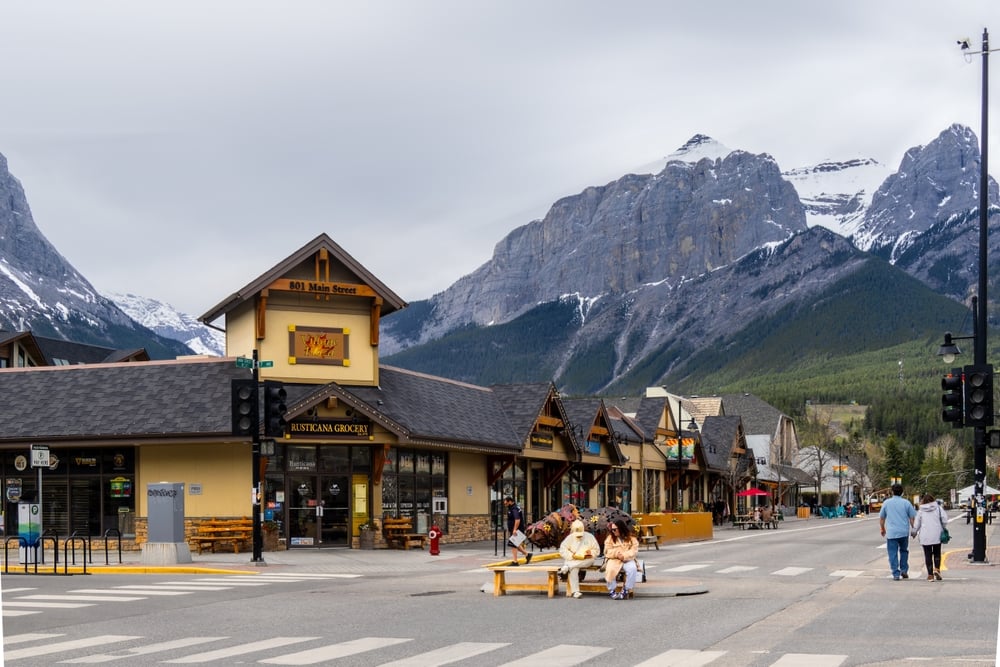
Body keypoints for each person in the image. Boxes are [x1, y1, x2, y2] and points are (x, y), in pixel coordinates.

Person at [879, 483, 916, 580]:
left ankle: (895, 573)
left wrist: (882, 528)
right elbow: (912, 518)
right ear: (902, 492)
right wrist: (914, 529)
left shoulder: (886, 503)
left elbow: (882, 518)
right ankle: (904, 570)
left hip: (891, 532)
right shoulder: (906, 503)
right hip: (903, 532)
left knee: (892, 553)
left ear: (892, 492)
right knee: (904, 551)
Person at [557, 519, 600, 598]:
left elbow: (597, 550)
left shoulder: (589, 537)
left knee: (588, 561)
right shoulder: (570, 538)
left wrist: (591, 552)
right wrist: (571, 555)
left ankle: (567, 567)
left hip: (586, 560)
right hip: (574, 559)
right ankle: (575, 591)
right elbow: (562, 550)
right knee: (574, 569)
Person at [912, 493, 947, 581]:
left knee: (928, 555)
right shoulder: (938, 508)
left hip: (925, 535)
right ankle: (937, 569)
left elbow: (917, 524)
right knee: (937, 553)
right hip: (937, 534)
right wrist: (943, 527)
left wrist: (914, 532)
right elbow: (944, 520)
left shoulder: (921, 511)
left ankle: (930, 575)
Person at [603, 518, 639, 600]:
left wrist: (624, 556)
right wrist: (616, 554)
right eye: (612, 530)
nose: (613, 531)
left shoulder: (631, 538)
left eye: (615, 529)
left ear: (621, 528)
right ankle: (612, 590)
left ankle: (626, 589)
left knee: (632, 569)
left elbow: (634, 550)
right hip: (614, 559)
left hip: (627, 559)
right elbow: (607, 551)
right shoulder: (610, 538)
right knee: (610, 569)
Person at [503, 496, 531, 565]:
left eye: (506, 503)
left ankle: (515, 562)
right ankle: (527, 555)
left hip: (517, 530)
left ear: (510, 501)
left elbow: (517, 520)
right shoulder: (513, 508)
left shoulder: (514, 509)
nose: (505, 504)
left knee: (513, 544)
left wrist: (514, 529)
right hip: (515, 530)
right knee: (516, 544)